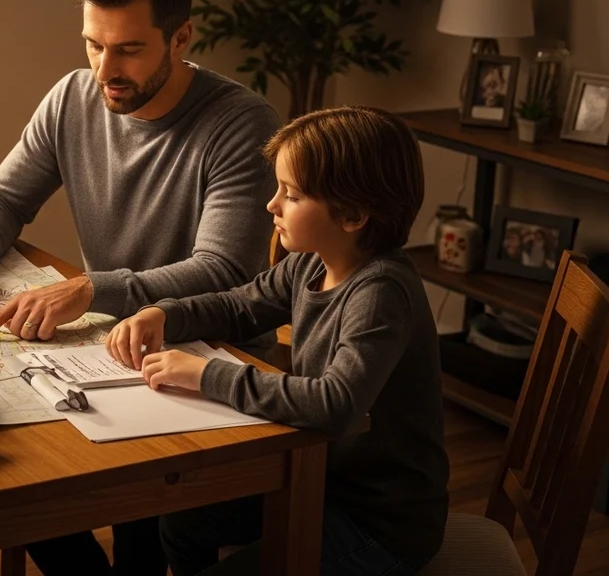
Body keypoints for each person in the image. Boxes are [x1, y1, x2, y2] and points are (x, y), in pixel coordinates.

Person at [0, 0, 280, 576]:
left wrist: (91, 289)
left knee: (56, 494)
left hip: (212, 364)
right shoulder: (73, 98)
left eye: (128, 49)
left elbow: (226, 270)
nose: (104, 68)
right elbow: (2, 197)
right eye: (93, 44)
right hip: (108, 349)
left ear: (182, 37)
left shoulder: (240, 122)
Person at [107, 106, 449, 575]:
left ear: (351, 214)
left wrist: (207, 375)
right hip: (317, 480)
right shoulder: (312, 261)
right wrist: (163, 313)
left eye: (291, 194)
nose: (272, 205)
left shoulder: (380, 293)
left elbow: (335, 404)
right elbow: (237, 306)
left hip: (379, 522)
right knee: (182, 522)